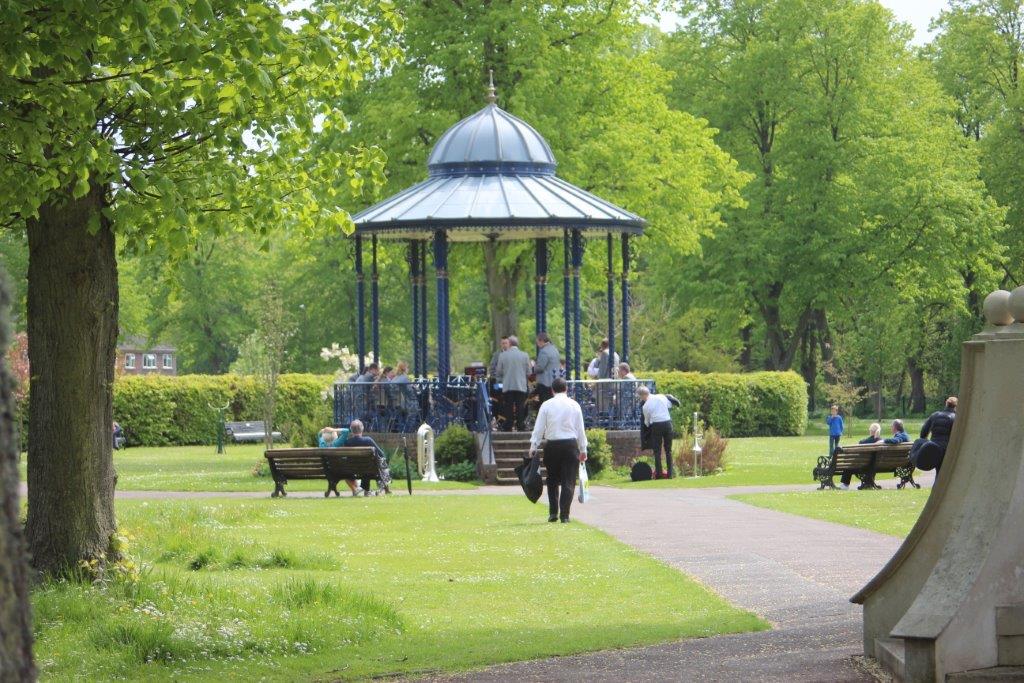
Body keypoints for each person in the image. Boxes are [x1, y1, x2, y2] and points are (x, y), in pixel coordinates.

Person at [529, 377, 588, 523]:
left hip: (552, 445)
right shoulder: (574, 405)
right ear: (566, 389)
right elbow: (580, 429)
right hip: (570, 445)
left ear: (552, 390)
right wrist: (583, 449)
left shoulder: (546, 405)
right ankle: (565, 515)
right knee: (568, 481)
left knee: (552, 479)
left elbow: (539, 427)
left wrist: (533, 445)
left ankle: (553, 512)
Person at [344, 419, 392, 496]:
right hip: (369, 469)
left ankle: (367, 491)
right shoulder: (368, 440)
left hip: (354, 469)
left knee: (365, 467)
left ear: (351, 430)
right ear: (362, 429)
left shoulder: (347, 442)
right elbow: (381, 454)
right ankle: (385, 490)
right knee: (377, 466)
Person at [637, 386, 674, 479]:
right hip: (668, 423)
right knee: (668, 450)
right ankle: (670, 474)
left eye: (640, 397)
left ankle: (659, 474)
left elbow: (647, 422)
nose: (640, 399)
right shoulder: (661, 396)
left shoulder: (645, 406)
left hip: (657, 425)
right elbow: (669, 405)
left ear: (642, 395)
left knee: (657, 451)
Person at [495, 335, 531, 431]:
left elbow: (498, 371)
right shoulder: (525, 355)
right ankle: (520, 425)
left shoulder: (503, 355)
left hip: (508, 385)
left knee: (508, 406)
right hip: (521, 385)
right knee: (520, 406)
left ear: (509, 343)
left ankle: (508, 425)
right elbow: (529, 372)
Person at [915, 397, 957, 473]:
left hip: (933, 448)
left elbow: (923, 433)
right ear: (955, 406)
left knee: (939, 471)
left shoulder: (934, 415)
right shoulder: (955, 418)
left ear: (946, 404)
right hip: (946, 449)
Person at [838, 422, 882, 490]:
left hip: (865, 465)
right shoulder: (881, 441)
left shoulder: (864, 442)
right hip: (878, 465)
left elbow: (860, 443)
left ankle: (845, 485)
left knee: (848, 466)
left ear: (871, 431)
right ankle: (869, 482)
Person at [318, 427, 359, 495]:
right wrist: (333, 430)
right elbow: (346, 431)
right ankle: (357, 488)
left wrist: (322, 431)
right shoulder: (336, 444)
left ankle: (356, 489)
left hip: (330, 472)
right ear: (334, 436)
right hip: (342, 470)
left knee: (344, 471)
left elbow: (319, 435)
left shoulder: (321, 445)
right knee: (346, 470)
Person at [533, 332, 560, 405]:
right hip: (554, 381)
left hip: (545, 383)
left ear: (541, 341)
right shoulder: (555, 349)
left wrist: (533, 366)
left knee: (544, 404)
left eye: (537, 342)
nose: (537, 344)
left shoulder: (544, 351)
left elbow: (540, 368)